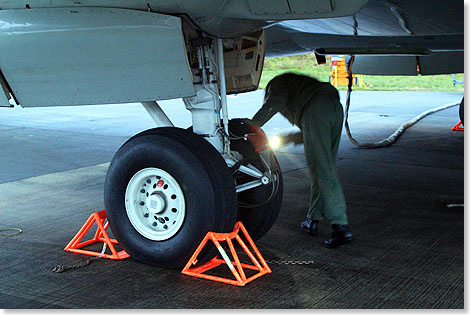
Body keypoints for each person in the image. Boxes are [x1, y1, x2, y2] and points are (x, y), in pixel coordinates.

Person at [252, 72, 353, 248]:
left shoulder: (277, 84)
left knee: (323, 171)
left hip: (317, 109)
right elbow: (312, 131)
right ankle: (313, 218)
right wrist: (289, 138)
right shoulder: (300, 88)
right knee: (323, 169)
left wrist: (252, 125)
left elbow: (275, 103)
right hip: (335, 108)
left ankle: (340, 226)